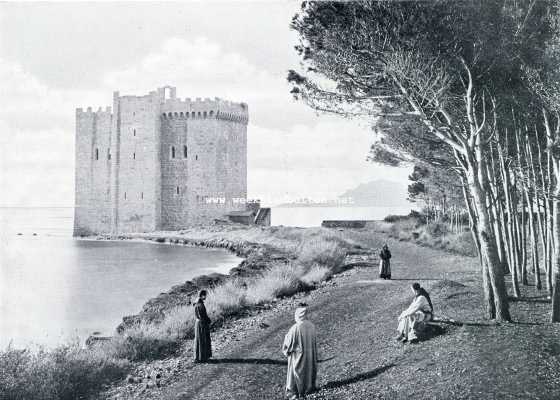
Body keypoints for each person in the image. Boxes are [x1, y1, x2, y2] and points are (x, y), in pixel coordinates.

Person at [282, 303, 318, 399]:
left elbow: (289, 344)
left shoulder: (295, 328)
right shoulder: (312, 326)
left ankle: (296, 391)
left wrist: (286, 344)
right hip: (310, 354)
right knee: (308, 369)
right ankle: (309, 387)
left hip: (298, 355)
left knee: (296, 373)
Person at [193, 290, 212, 362]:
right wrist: (208, 320)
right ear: (202, 295)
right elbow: (202, 316)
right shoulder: (200, 304)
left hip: (198, 323)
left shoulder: (197, 303)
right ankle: (202, 358)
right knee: (202, 340)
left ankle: (198, 357)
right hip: (202, 323)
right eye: (205, 295)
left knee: (199, 340)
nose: (206, 297)